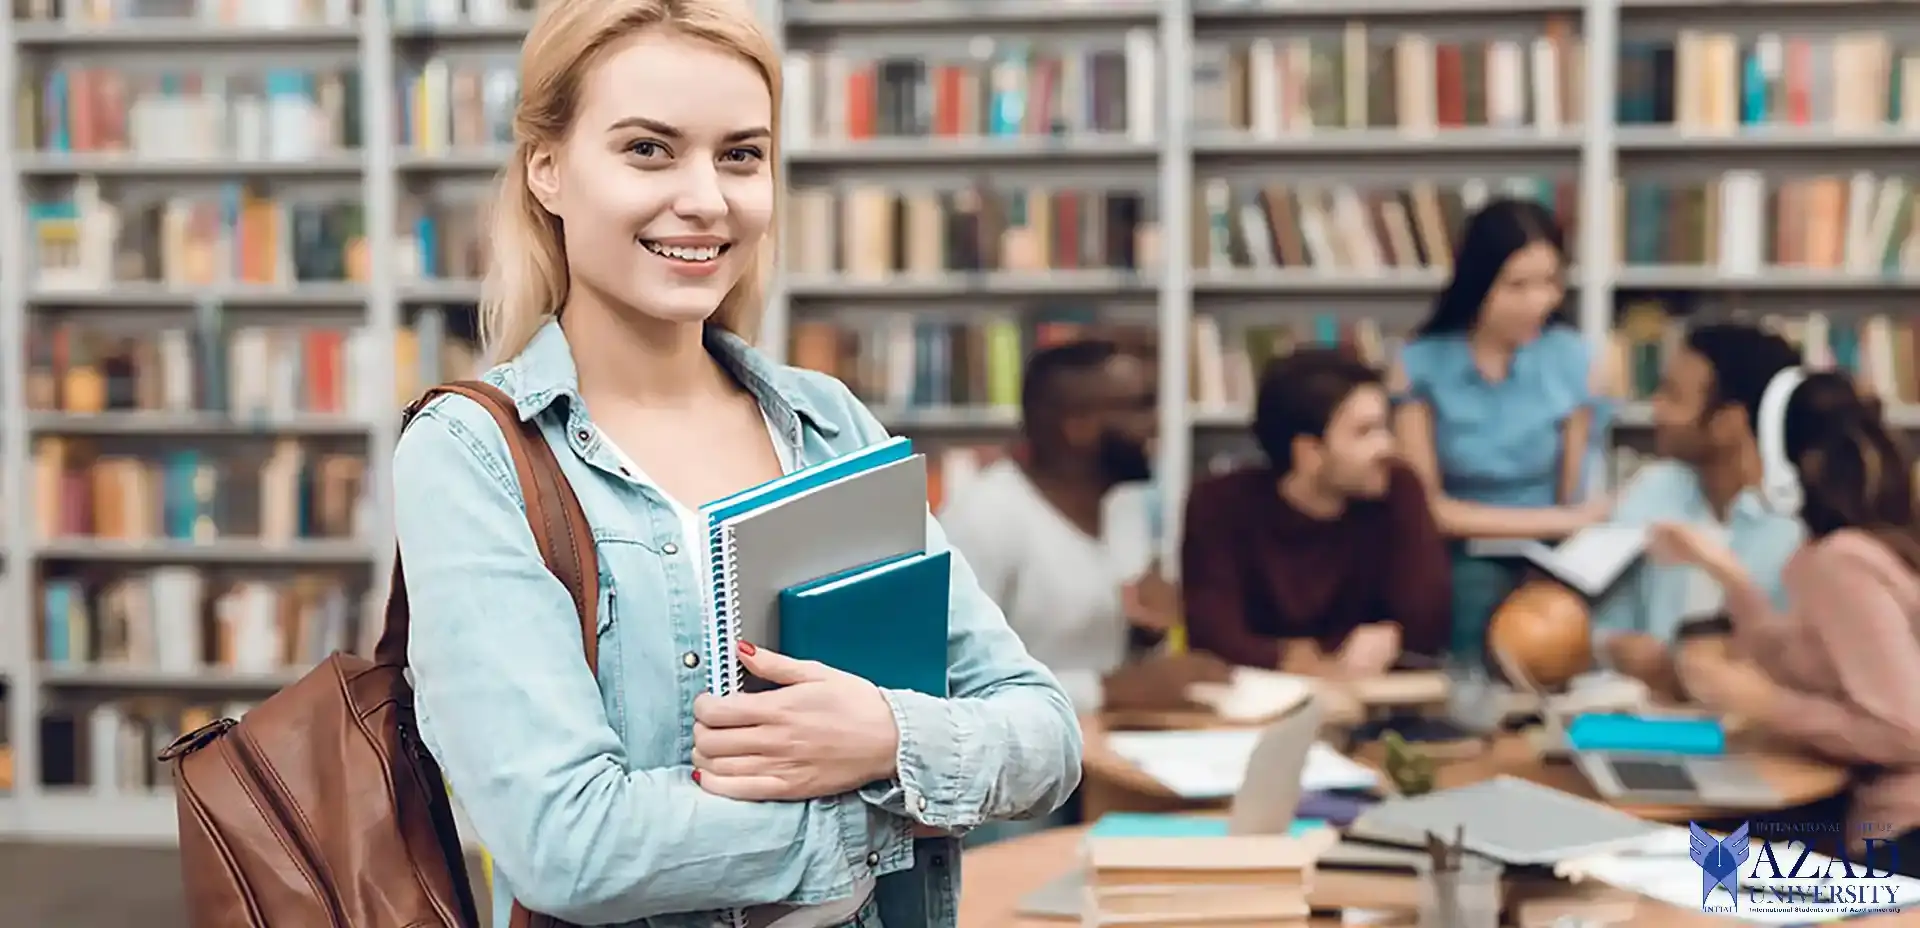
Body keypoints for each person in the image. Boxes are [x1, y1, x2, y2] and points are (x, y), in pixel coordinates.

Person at [388, 3, 1082, 926]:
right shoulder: (474, 454)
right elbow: (569, 846)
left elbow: (1044, 730)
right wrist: (885, 800)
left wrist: (883, 734)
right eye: (647, 150)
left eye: (741, 155)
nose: (707, 199)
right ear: (546, 170)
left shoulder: (828, 423)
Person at [1649, 371, 1920, 873]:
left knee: (1693, 868)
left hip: (1901, 832)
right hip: (1882, 820)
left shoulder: (1843, 563)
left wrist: (1759, 701)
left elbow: (1904, 731)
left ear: (1782, 462)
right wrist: (1730, 577)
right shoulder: (1854, 548)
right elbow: (1812, 666)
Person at [940, 339, 1225, 719]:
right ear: (1078, 428)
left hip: (1110, 746)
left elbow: (1099, 652)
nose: (1157, 423)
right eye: (1141, 406)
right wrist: (1109, 690)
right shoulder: (984, 518)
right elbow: (953, 685)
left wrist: (1146, 636)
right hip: (1024, 766)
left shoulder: (1125, 510)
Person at [1389, 197, 1614, 660]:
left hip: (1554, 549)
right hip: (1461, 548)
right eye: (1517, 286)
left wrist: (1567, 527)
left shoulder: (1574, 358)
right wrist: (1563, 520)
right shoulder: (1420, 366)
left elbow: (1573, 491)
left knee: (1575, 617)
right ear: (1479, 283)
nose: (1540, 302)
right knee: (1474, 596)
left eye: (1550, 282)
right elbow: (1428, 508)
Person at [1183, 349, 1452, 674]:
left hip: (1376, 699)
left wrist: (1393, 636)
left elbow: (1429, 622)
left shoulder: (1397, 488)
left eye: (1385, 428)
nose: (1388, 447)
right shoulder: (1218, 503)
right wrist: (1297, 660)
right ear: (1309, 452)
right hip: (1260, 698)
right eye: (1365, 432)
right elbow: (1212, 636)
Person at [1587, 324, 1806, 699]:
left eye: (1673, 396)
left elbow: (1801, 664)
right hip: (1647, 715)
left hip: (1765, 726)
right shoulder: (1653, 489)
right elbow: (1604, 623)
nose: (1655, 409)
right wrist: (1615, 648)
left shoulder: (1800, 522)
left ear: (1729, 422)